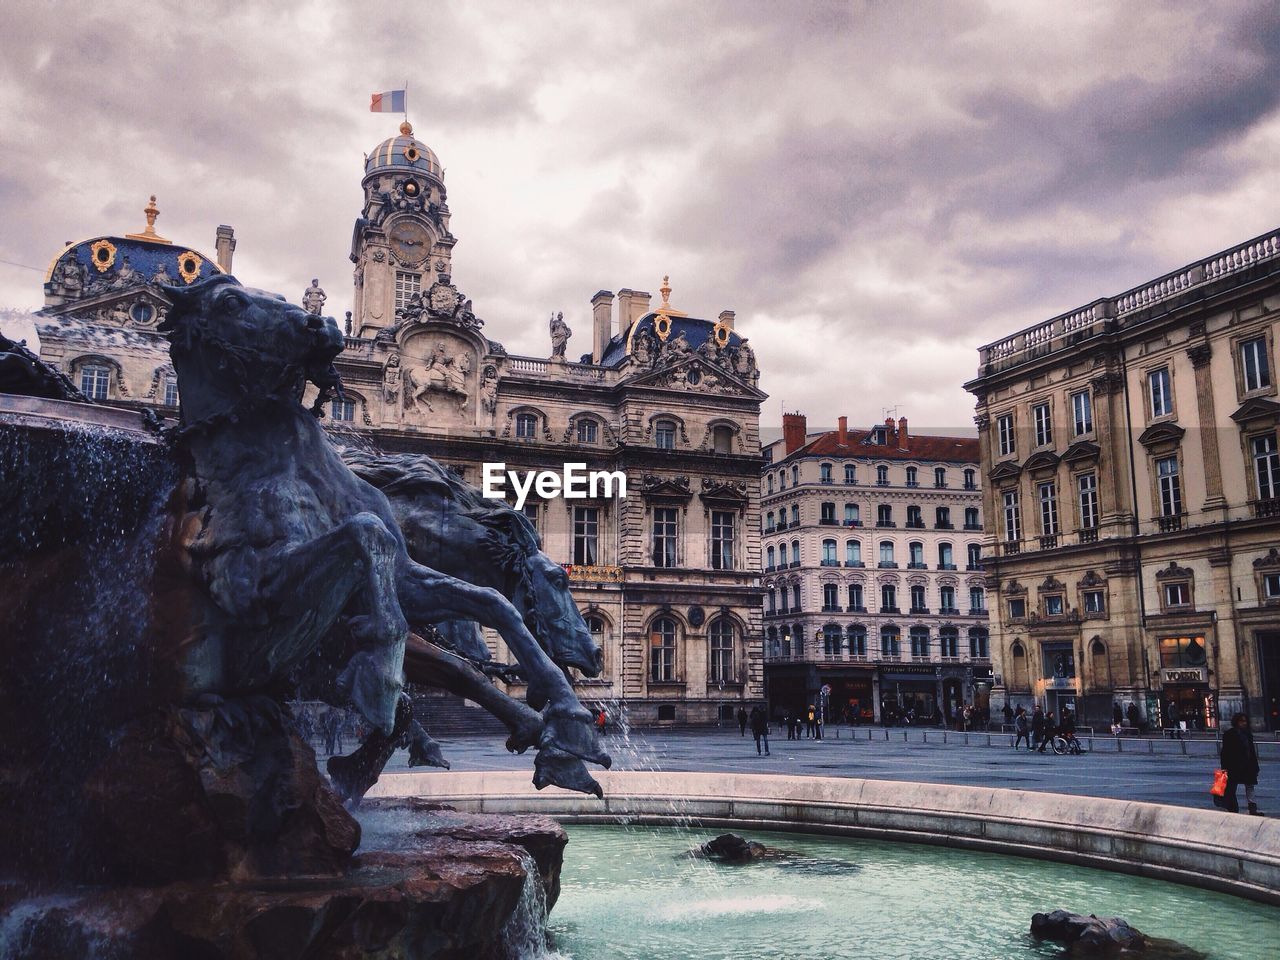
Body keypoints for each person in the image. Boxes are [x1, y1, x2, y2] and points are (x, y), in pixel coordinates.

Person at [1220, 713, 1262, 815]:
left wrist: (1255, 766)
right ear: (1236, 722)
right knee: (1231, 788)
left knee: (1250, 786)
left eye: (1245, 721)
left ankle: (1252, 808)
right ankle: (1233, 809)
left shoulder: (1248, 734)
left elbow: (1251, 752)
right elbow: (1225, 752)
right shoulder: (1230, 734)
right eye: (1241, 721)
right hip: (1234, 765)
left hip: (1248, 765)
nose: (1244, 723)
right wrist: (1224, 767)